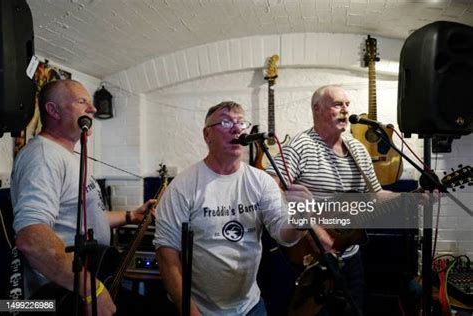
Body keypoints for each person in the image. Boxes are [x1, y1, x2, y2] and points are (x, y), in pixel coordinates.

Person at [11, 79, 157, 316]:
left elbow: (83, 219)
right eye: (82, 102)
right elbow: (31, 239)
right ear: (53, 110)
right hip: (57, 299)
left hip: (79, 287)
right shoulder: (44, 156)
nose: (93, 109)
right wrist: (92, 291)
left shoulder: (65, 154)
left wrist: (131, 215)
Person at [153, 101, 310, 315]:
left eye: (241, 122)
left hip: (250, 306)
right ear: (207, 135)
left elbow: (285, 236)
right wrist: (189, 310)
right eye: (226, 122)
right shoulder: (183, 186)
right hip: (199, 308)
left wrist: (302, 217)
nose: (237, 129)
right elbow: (166, 254)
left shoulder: (261, 182)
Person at [266, 84, 393, 315]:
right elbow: (270, 188)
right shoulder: (301, 146)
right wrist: (314, 229)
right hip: (311, 260)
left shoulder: (358, 149)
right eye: (337, 104)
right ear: (317, 109)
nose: (345, 111)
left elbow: (376, 194)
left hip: (350, 255)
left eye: (347, 105)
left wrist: (412, 197)